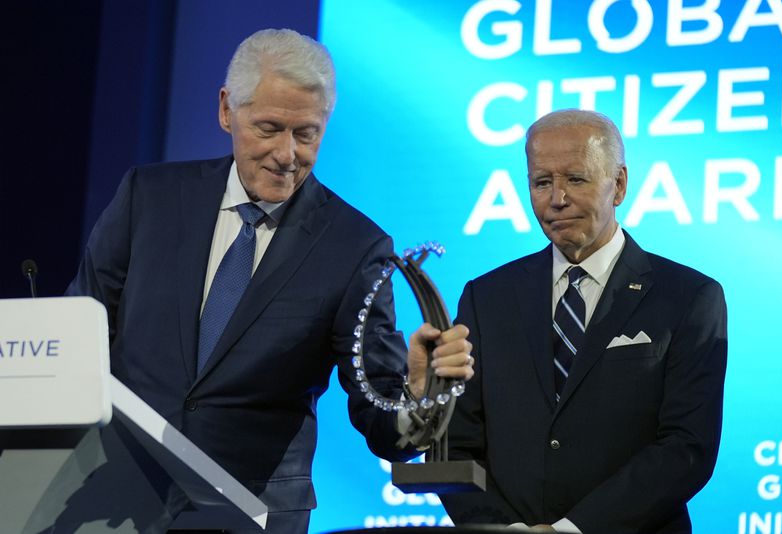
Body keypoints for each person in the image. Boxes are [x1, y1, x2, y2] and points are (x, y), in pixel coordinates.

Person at [65, 29, 473, 533]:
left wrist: (415, 390)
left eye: (307, 134)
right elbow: (79, 337)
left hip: (254, 515)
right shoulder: (147, 199)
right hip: (113, 499)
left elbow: (380, 422)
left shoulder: (355, 247)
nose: (287, 154)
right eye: (269, 128)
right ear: (225, 110)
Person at [440, 109, 727, 534]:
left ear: (620, 185)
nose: (557, 198)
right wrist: (505, 530)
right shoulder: (486, 297)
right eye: (542, 182)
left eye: (576, 179)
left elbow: (686, 448)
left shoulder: (688, 297)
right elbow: (455, 445)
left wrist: (571, 530)